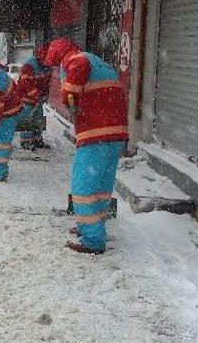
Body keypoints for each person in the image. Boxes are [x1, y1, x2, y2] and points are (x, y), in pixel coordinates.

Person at [44, 38, 128, 254]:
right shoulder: (99, 62)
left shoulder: (76, 61)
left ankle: (92, 239)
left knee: (83, 187)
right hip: (116, 134)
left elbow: (70, 95)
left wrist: (73, 108)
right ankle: (93, 227)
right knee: (101, 187)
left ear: (59, 57)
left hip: (95, 134)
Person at [16, 44, 52, 150]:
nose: (45, 62)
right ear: (38, 57)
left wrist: (45, 93)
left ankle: (37, 140)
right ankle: (26, 141)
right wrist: (36, 94)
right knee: (27, 118)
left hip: (38, 98)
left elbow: (46, 81)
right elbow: (25, 83)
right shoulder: (29, 66)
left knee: (39, 118)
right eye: (43, 60)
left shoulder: (47, 66)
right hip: (26, 98)